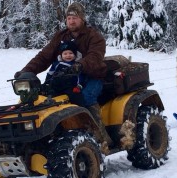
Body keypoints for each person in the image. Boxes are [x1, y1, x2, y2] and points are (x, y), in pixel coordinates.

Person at [14, 2, 113, 146]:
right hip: (67, 78)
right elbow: (44, 56)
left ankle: (101, 139)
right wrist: (26, 71)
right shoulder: (61, 36)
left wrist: (80, 65)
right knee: (45, 100)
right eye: (69, 18)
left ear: (82, 19)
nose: (71, 21)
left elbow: (95, 57)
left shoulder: (94, 36)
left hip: (92, 76)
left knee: (85, 98)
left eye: (75, 17)